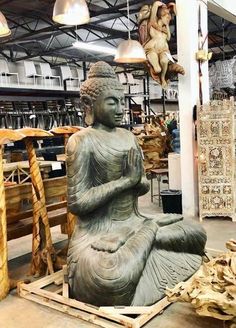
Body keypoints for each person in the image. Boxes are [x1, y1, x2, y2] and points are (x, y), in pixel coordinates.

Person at [66, 61, 206, 306]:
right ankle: (151, 235)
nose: (122, 109)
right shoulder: (81, 142)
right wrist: (124, 181)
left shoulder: (128, 137)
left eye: (122, 101)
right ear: (89, 104)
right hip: (97, 234)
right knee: (109, 273)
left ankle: (147, 235)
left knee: (196, 232)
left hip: (133, 224)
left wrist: (137, 180)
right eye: (112, 102)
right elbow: (78, 203)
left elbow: (140, 186)